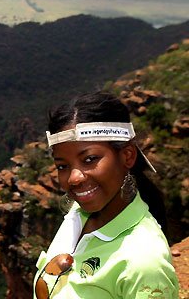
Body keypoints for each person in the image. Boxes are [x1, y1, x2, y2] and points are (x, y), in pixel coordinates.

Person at [33, 91, 179, 299]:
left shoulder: (143, 262)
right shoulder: (79, 214)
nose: (74, 178)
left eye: (90, 159)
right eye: (62, 166)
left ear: (127, 156)